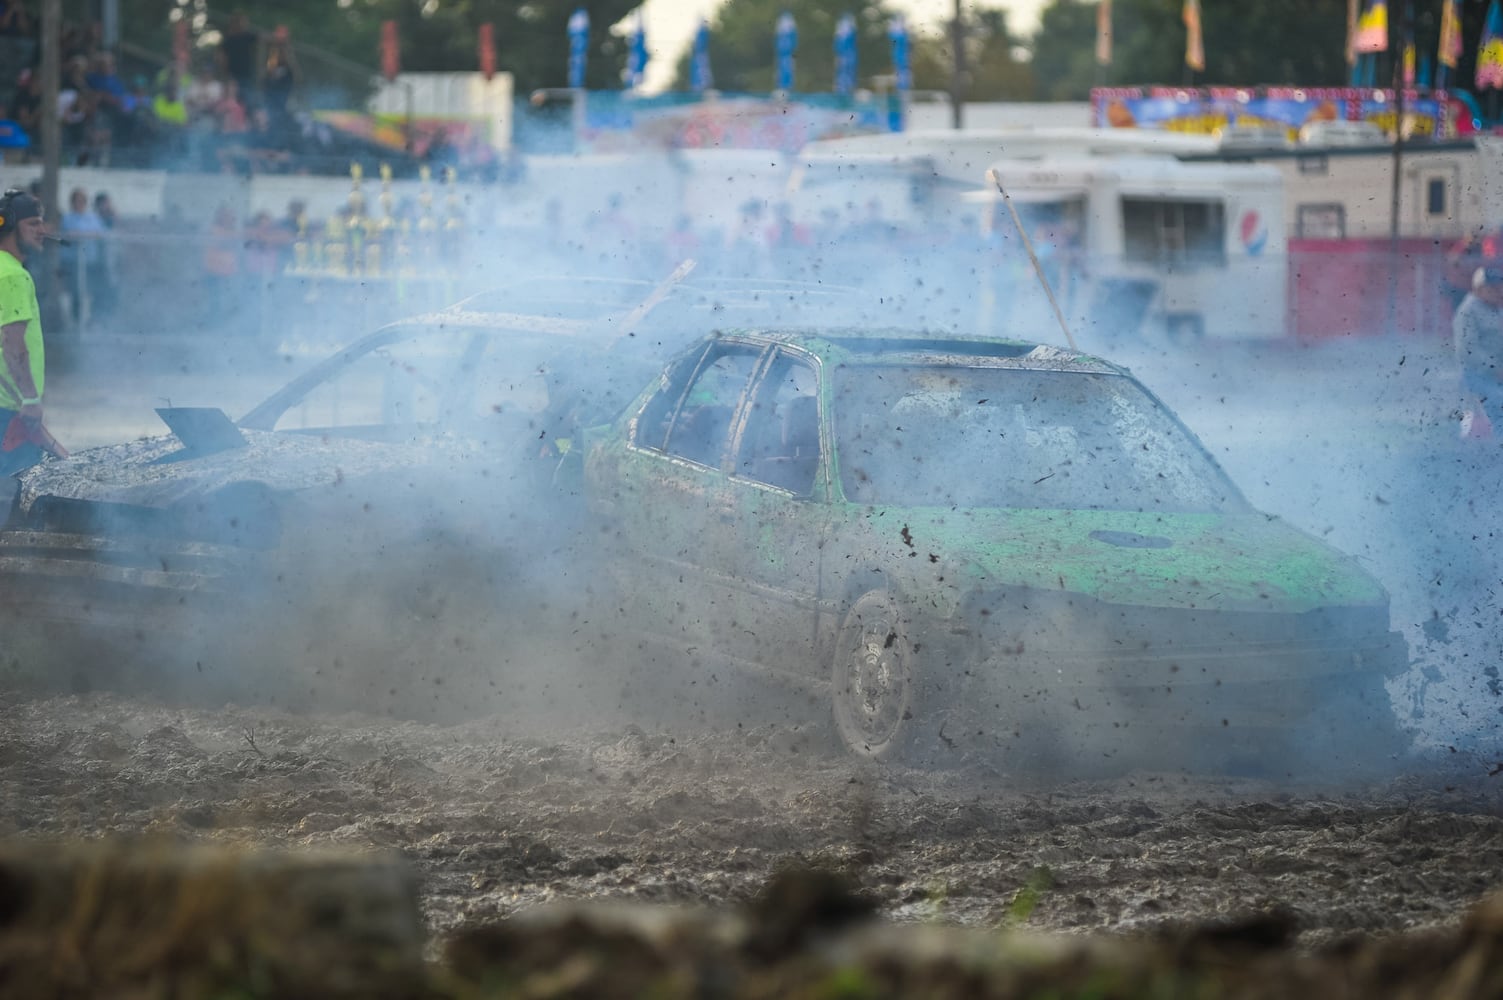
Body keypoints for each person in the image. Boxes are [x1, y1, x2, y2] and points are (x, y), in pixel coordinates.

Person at [0, 188, 61, 476]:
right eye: (33, 223)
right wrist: (30, 399)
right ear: (11, 226)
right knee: (13, 496)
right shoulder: (12, 275)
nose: (42, 230)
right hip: (9, 409)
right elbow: (13, 343)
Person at [1453, 264, 1503, 438]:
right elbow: (1468, 351)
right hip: (1477, 375)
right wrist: (1495, 369)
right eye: (1494, 287)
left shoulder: (1497, 309)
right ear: (1480, 288)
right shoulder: (1467, 312)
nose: (1499, 291)